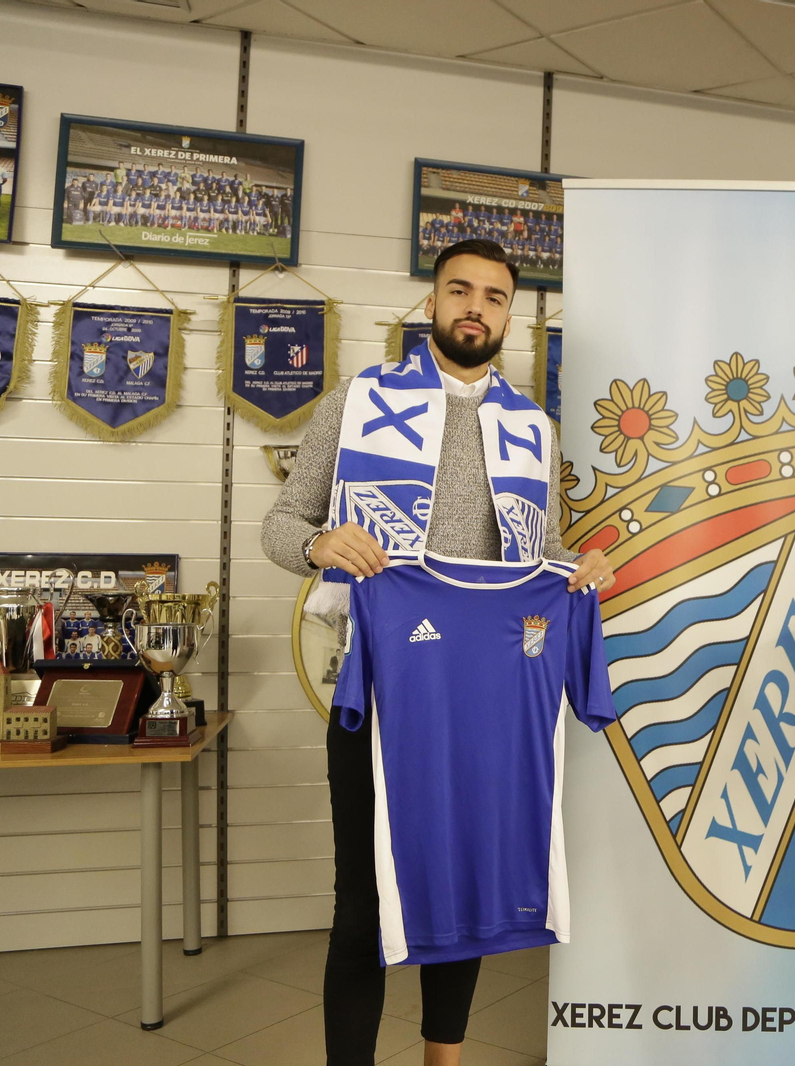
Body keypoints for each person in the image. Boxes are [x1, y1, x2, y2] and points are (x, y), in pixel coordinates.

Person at [262, 238, 614, 1066]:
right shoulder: (357, 400)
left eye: (495, 296)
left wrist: (578, 569)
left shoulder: (533, 427)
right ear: (431, 303)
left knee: (464, 886)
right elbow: (280, 526)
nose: (475, 308)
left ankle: (442, 1058)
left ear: (509, 315)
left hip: (488, 695)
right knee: (365, 900)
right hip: (378, 691)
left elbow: (540, 552)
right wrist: (321, 546)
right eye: (460, 290)